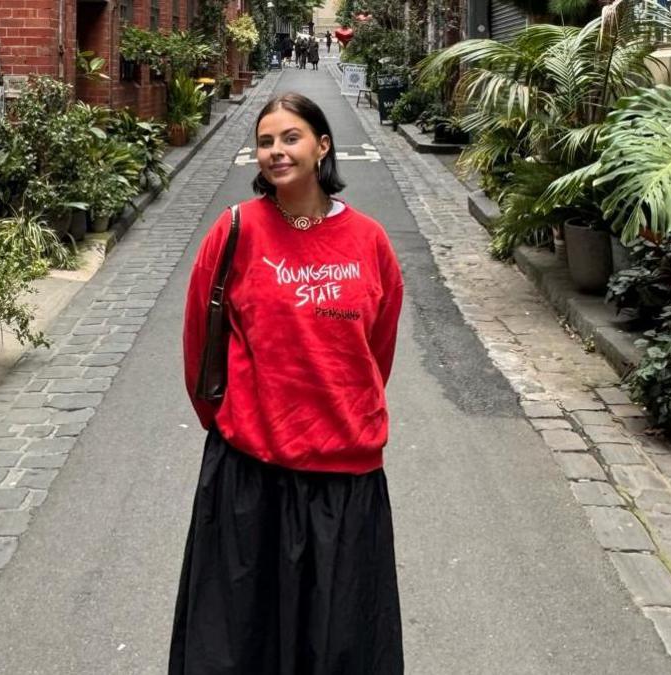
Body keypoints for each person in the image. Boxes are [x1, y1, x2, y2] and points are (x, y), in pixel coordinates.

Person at [171, 92, 405, 675]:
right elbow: (200, 347)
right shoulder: (234, 232)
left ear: (323, 146)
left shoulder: (370, 241)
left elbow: (377, 351)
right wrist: (235, 424)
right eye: (267, 141)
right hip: (251, 472)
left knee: (337, 645)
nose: (277, 151)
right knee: (239, 641)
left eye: (291, 137)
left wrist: (344, 406)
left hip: (344, 476)